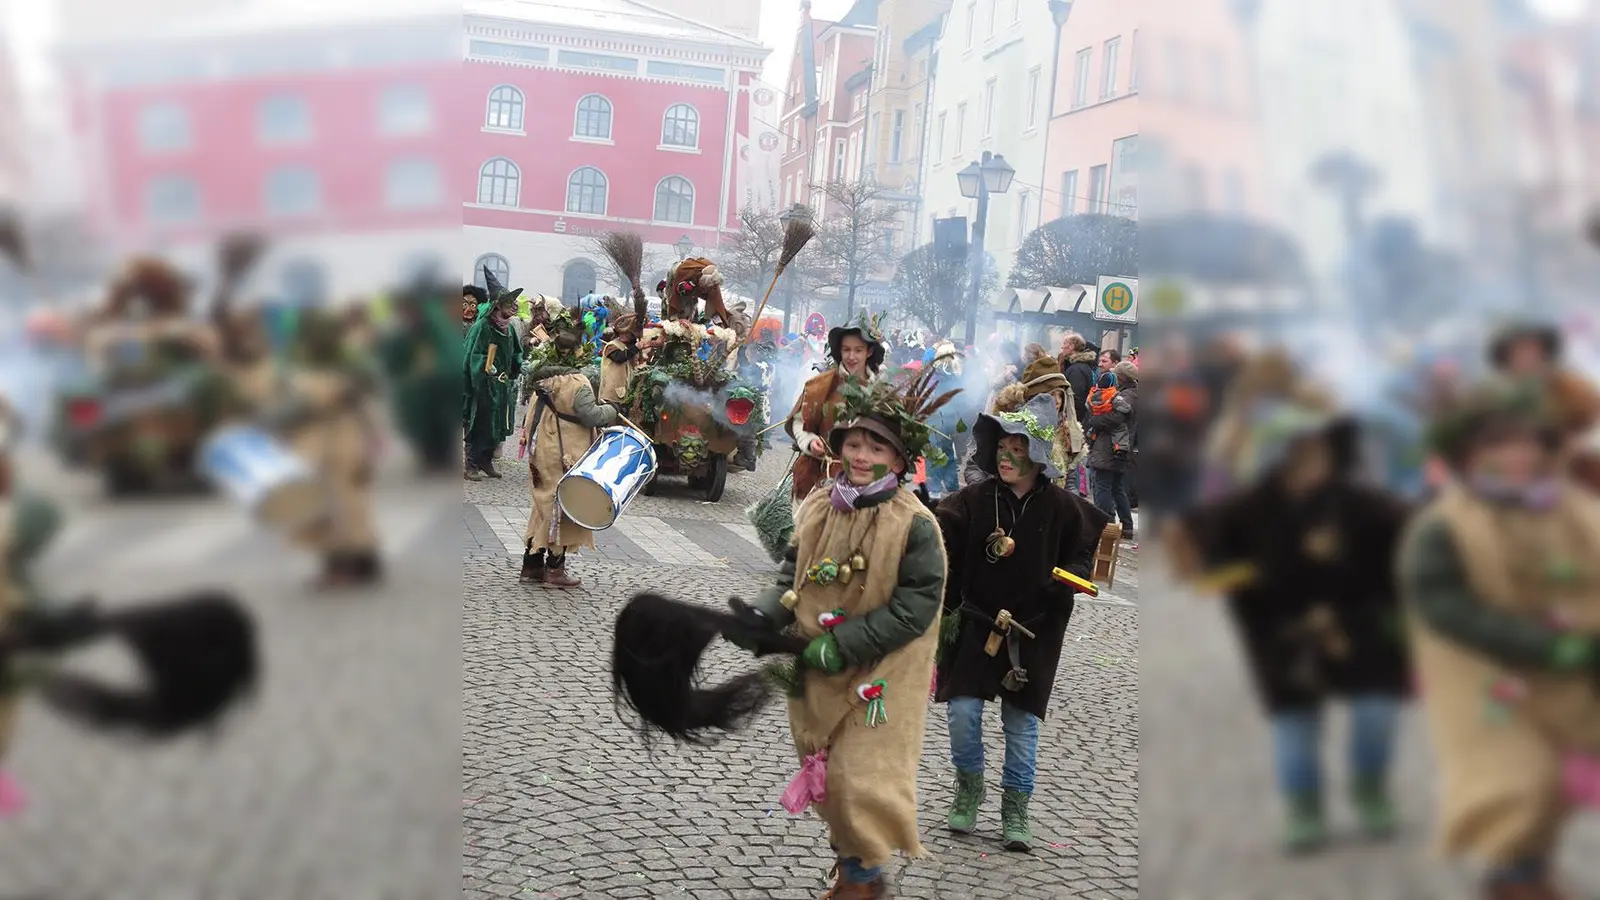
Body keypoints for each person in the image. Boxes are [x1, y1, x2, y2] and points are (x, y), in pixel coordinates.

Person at [739, 368, 955, 899]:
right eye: (854, 444)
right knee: (829, 780)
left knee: (861, 778)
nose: (861, 456)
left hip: (883, 672)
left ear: (900, 461)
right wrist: (766, 615)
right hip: (818, 668)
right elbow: (792, 571)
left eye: (875, 448)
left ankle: (862, 883)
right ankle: (853, 867)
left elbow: (915, 608)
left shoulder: (915, 525)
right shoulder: (818, 504)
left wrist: (842, 645)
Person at [1167, 401, 1411, 855]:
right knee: (1296, 723)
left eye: (1316, 453)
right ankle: (1305, 809)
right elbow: (1200, 552)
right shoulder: (1247, 508)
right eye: (1296, 454)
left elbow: (1407, 538)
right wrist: (1230, 575)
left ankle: (1369, 789)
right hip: (1281, 629)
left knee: (1376, 712)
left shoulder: (1357, 503)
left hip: (1359, 624)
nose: (1309, 464)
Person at [1400, 383, 1600, 900]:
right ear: (1467, 457)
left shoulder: (1573, 507)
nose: (1516, 455)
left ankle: (1528, 873)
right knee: (1517, 780)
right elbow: (1444, 605)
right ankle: (1513, 884)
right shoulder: (1443, 526)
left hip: (1568, 674)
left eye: (1526, 442)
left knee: (1562, 783)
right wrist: (1541, 643)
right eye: (1496, 446)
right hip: (1485, 675)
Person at [934, 392, 1109, 851]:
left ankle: (1016, 807)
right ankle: (969, 787)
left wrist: (1070, 580)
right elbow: (938, 532)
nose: (1005, 455)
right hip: (976, 622)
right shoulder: (975, 498)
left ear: (1035, 455)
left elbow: (1086, 545)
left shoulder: (1062, 506)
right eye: (1002, 445)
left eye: (1017, 446)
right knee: (963, 712)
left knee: (1021, 723)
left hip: (1033, 629)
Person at [518, 296, 619, 589]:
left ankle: (532, 566)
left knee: (542, 504)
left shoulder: (543, 381)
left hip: (541, 450)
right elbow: (590, 415)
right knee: (561, 505)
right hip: (565, 451)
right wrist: (612, 409)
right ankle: (555, 570)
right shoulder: (576, 382)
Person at [784, 311, 887, 502]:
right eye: (846, 349)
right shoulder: (821, 385)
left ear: (869, 351)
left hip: (867, 485)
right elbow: (800, 423)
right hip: (819, 480)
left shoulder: (882, 392)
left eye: (858, 350)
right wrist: (810, 442)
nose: (851, 356)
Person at [462, 267, 523, 481]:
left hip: (502, 386)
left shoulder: (510, 328)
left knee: (496, 426)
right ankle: (470, 464)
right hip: (483, 385)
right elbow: (472, 355)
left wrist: (517, 364)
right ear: (498, 305)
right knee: (478, 423)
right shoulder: (482, 327)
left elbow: (516, 351)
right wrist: (484, 373)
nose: (514, 306)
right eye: (509, 303)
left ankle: (485, 460)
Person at [1085, 360, 1139, 539]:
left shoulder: (1127, 395)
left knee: (1102, 487)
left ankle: (1105, 524)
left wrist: (1094, 421)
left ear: (1121, 377)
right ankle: (1125, 526)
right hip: (1118, 447)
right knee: (1116, 488)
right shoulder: (1130, 393)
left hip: (1110, 448)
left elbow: (1117, 417)